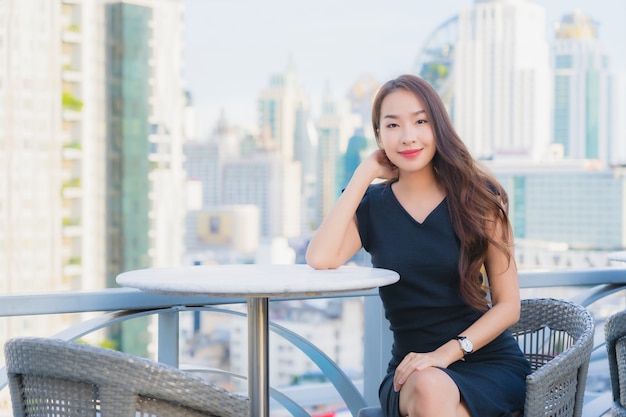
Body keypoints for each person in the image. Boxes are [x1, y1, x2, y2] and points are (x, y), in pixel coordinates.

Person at [306, 74, 531, 417]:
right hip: (410, 373)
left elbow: (508, 306)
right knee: (428, 386)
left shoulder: (480, 198)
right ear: (379, 136)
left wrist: (446, 354)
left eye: (420, 121)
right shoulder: (373, 207)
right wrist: (363, 173)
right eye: (393, 125)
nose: (408, 136)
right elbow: (320, 257)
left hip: (487, 362)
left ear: (438, 127)